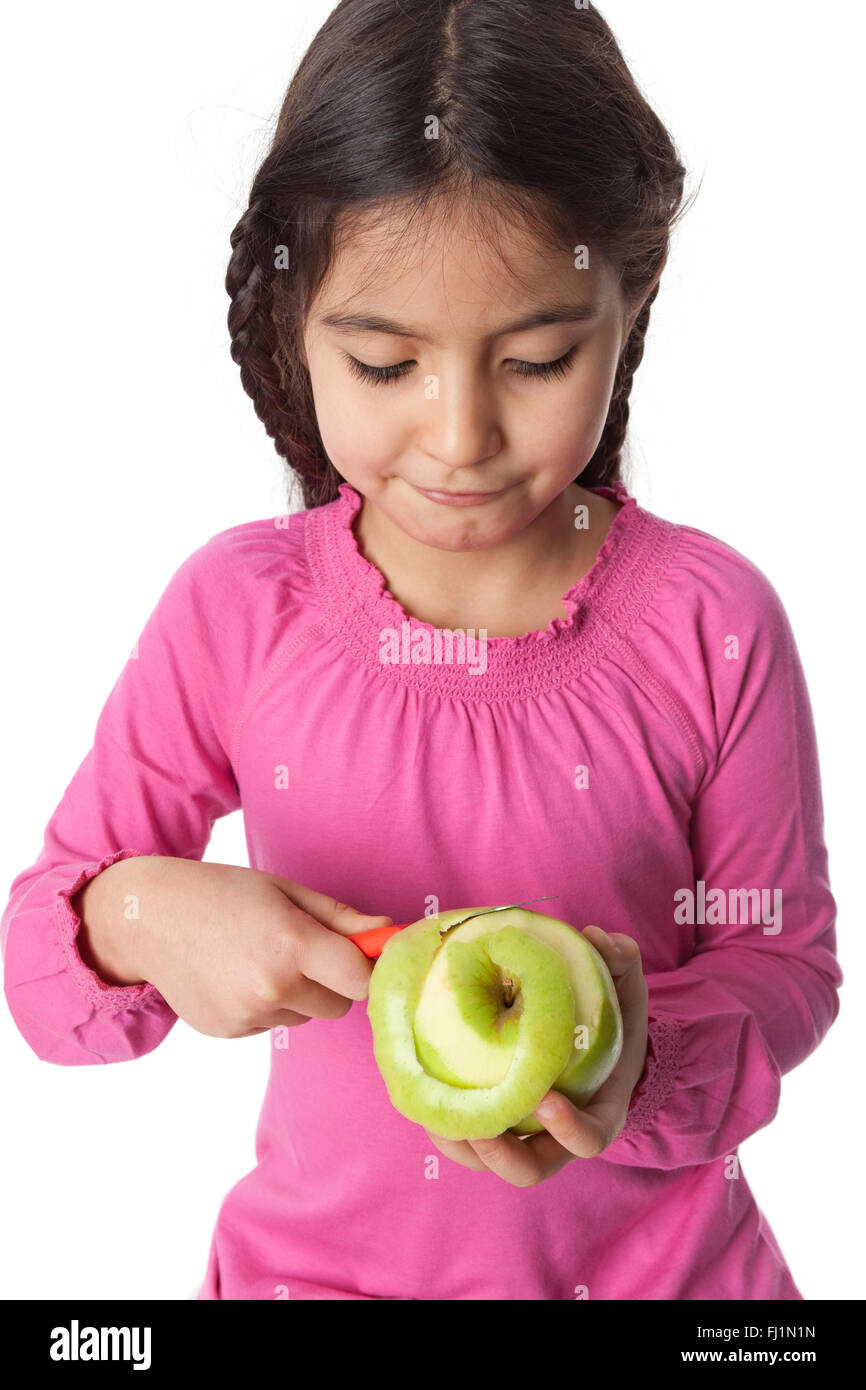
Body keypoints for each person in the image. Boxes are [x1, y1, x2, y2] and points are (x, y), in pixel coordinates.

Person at [1, 0, 842, 1300]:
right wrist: (134, 911)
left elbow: (780, 964)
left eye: (538, 356)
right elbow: (41, 979)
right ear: (295, 325)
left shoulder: (710, 621)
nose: (459, 435)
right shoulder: (238, 608)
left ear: (632, 303)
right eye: (386, 362)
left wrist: (637, 1047)